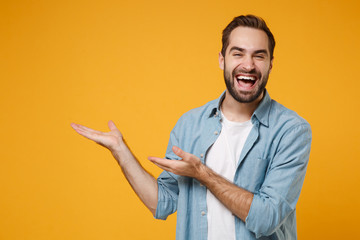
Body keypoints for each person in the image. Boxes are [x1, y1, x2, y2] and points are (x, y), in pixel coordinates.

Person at [71, 15, 312, 240]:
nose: (248, 65)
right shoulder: (190, 124)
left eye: (259, 56)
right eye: (238, 53)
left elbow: (266, 218)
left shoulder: (291, 131)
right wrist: (120, 151)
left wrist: (201, 173)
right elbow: (161, 203)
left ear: (270, 64)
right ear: (222, 60)